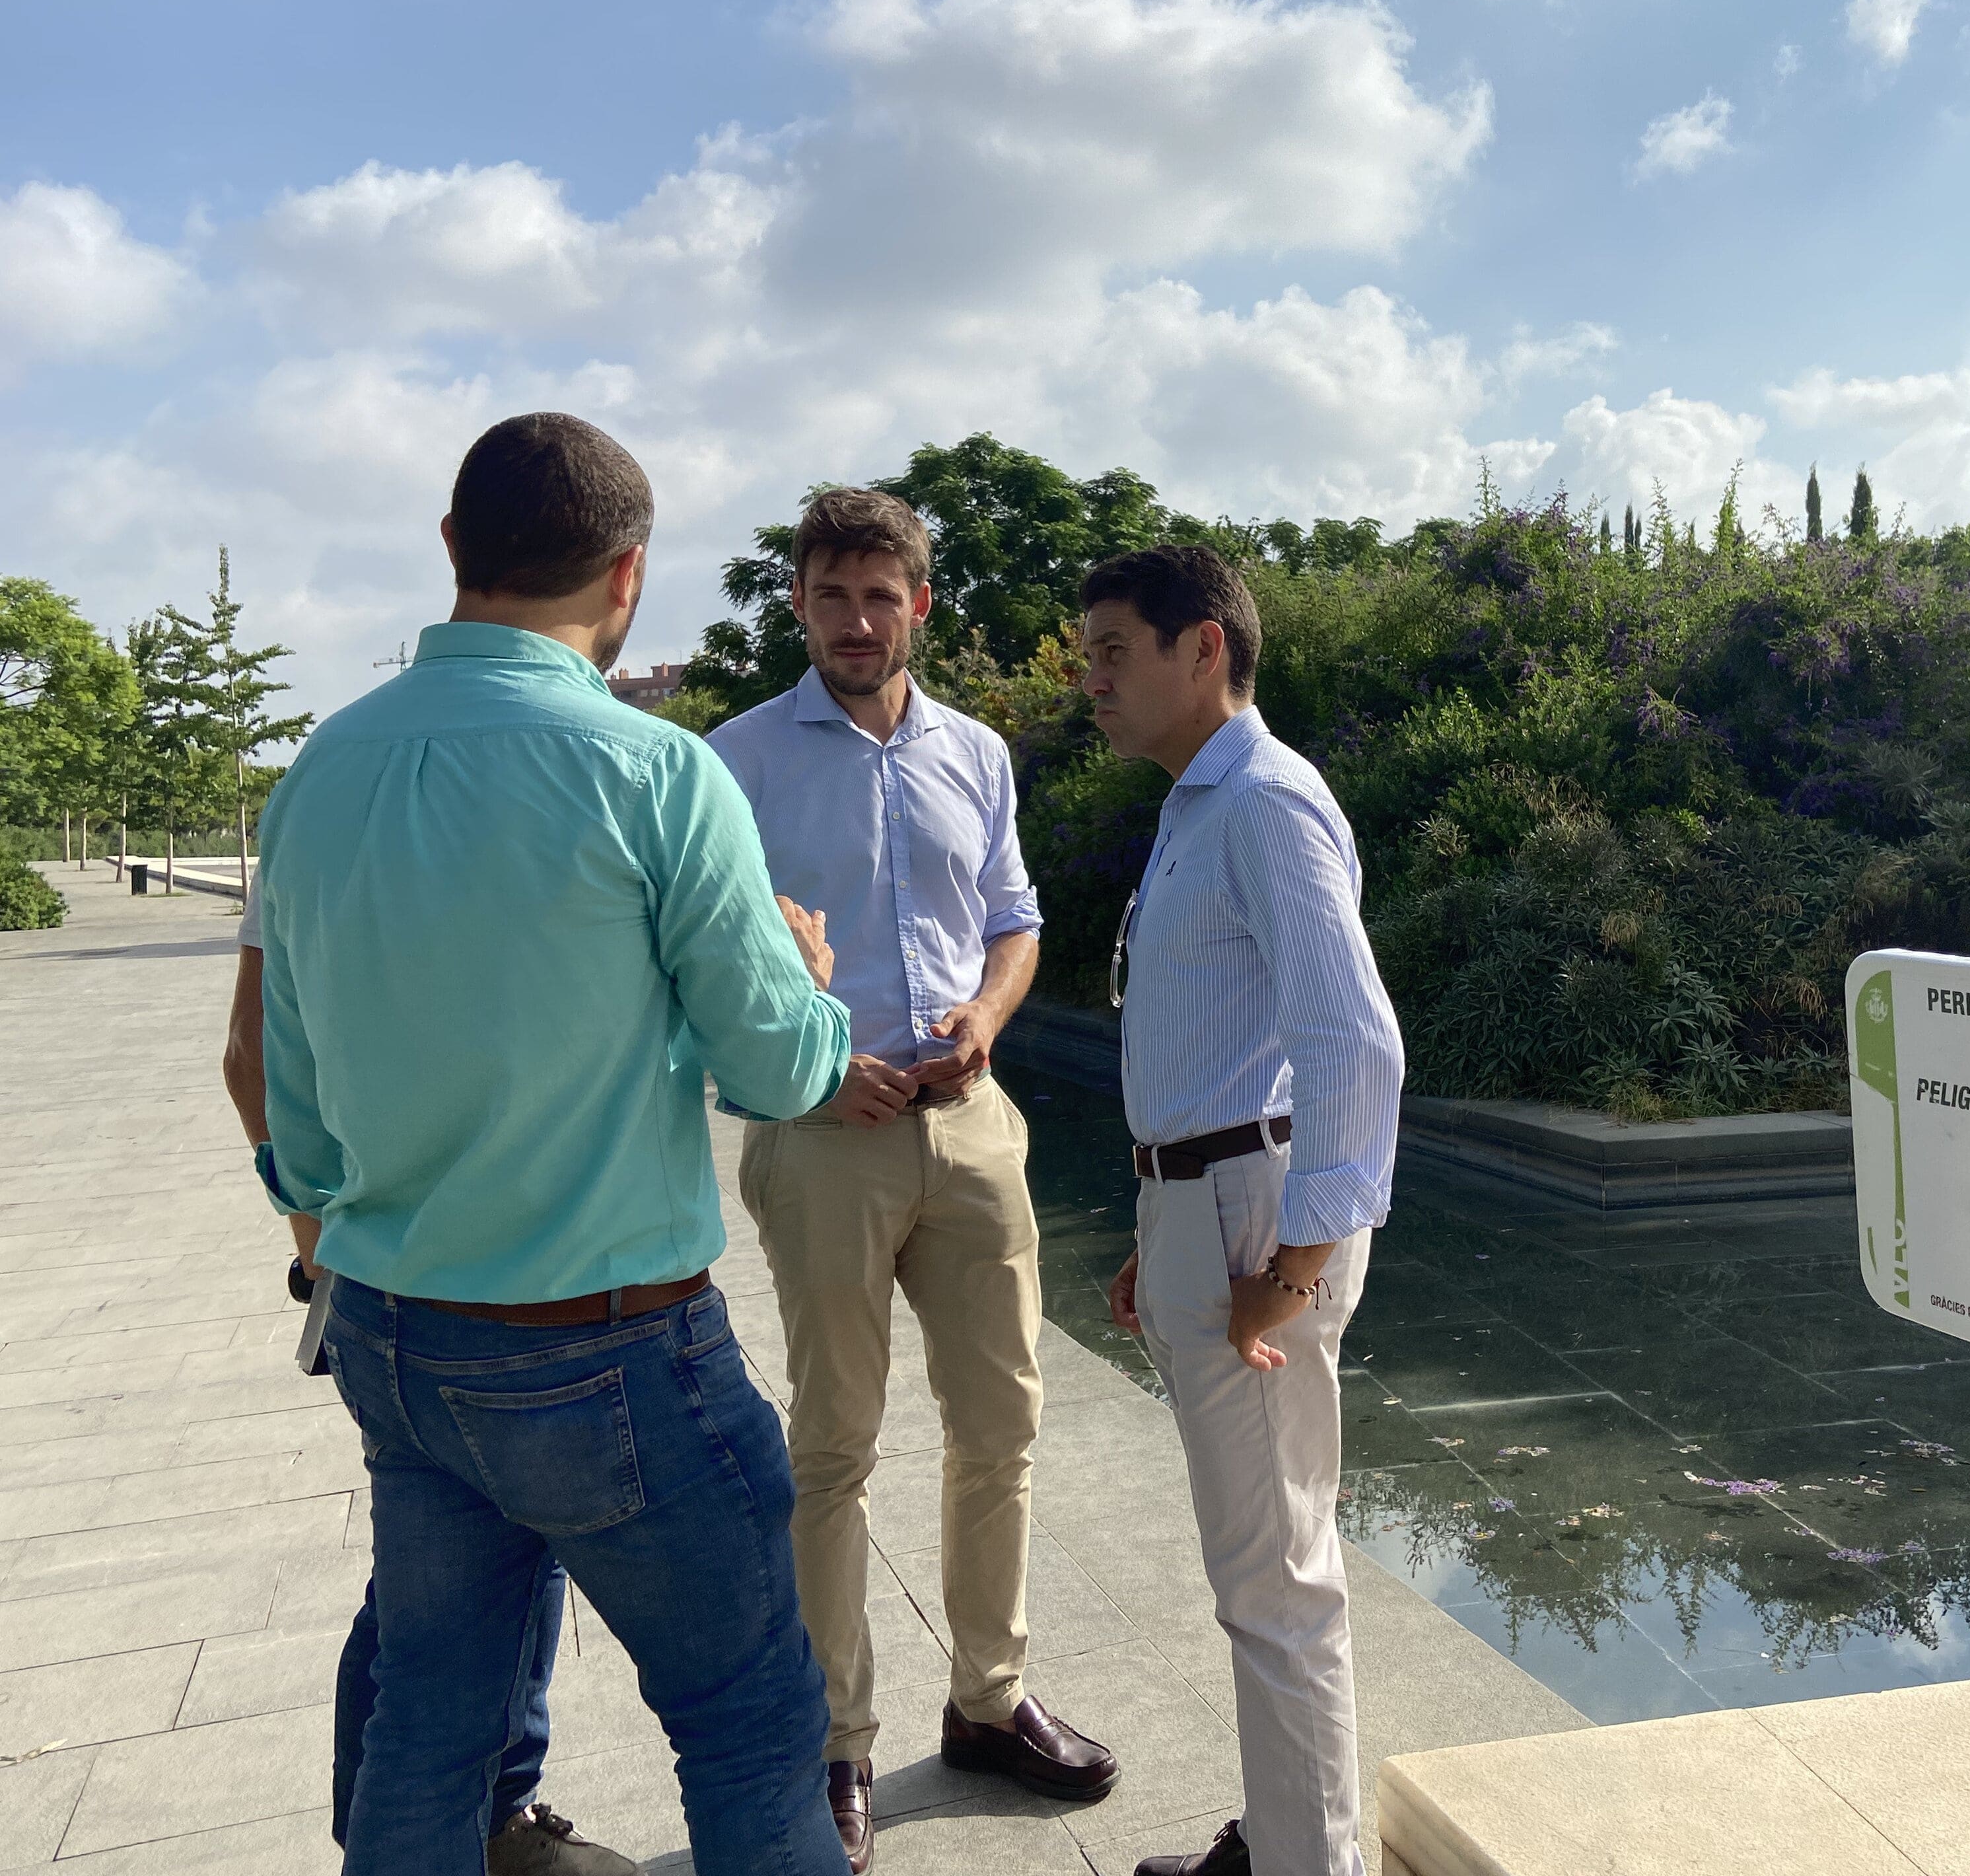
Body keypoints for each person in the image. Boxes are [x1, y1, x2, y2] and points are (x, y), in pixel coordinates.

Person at [254, 410, 899, 1876]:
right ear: (628, 576)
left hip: (401, 1337)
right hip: (610, 1352)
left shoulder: (321, 776)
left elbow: (292, 1124)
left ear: (450, 553)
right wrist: (802, 970)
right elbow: (786, 1073)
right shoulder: (658, 775)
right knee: (748, 1724)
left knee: (431, 1717)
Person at [706, 488, 1118, 1872]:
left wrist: (990, 1021)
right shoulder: (737, 760)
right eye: (832, 594)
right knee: (833, 1447)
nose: (858, 620)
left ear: (921, 607)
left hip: (971, 1126)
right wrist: (815, 1064)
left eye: (882, 596)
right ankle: (840, 1741)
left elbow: (1015, 921)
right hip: (822, 1136)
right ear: (803, 605)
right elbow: (708, 963)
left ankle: (989, 1704)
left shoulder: (978, 754)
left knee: (999, 1429)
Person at [1079, 546, 1405, 1876]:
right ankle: (1283, 1834)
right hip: (1204, 1204)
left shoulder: (1265, 802)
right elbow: (1218, 1044)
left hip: (1254, 1216)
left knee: (1278, 1582)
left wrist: (1301, 1257)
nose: (1091, 679)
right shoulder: (1197, 802)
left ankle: (1306, 1864)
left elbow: (1352, 1043)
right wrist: (1158, 1233)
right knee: (1264, 1565)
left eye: (1113, 651)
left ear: (1202, 649)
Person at [224, 904, 631, 1876]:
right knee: (444, 1590)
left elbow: (254, 1056)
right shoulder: (383, 801)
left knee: (458, 1575)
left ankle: (446, 1823)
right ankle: (451, 1830)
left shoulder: (332, 802)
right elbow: (254, 1056)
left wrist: (318, 1251)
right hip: (480, 1284)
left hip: (404, 1283)